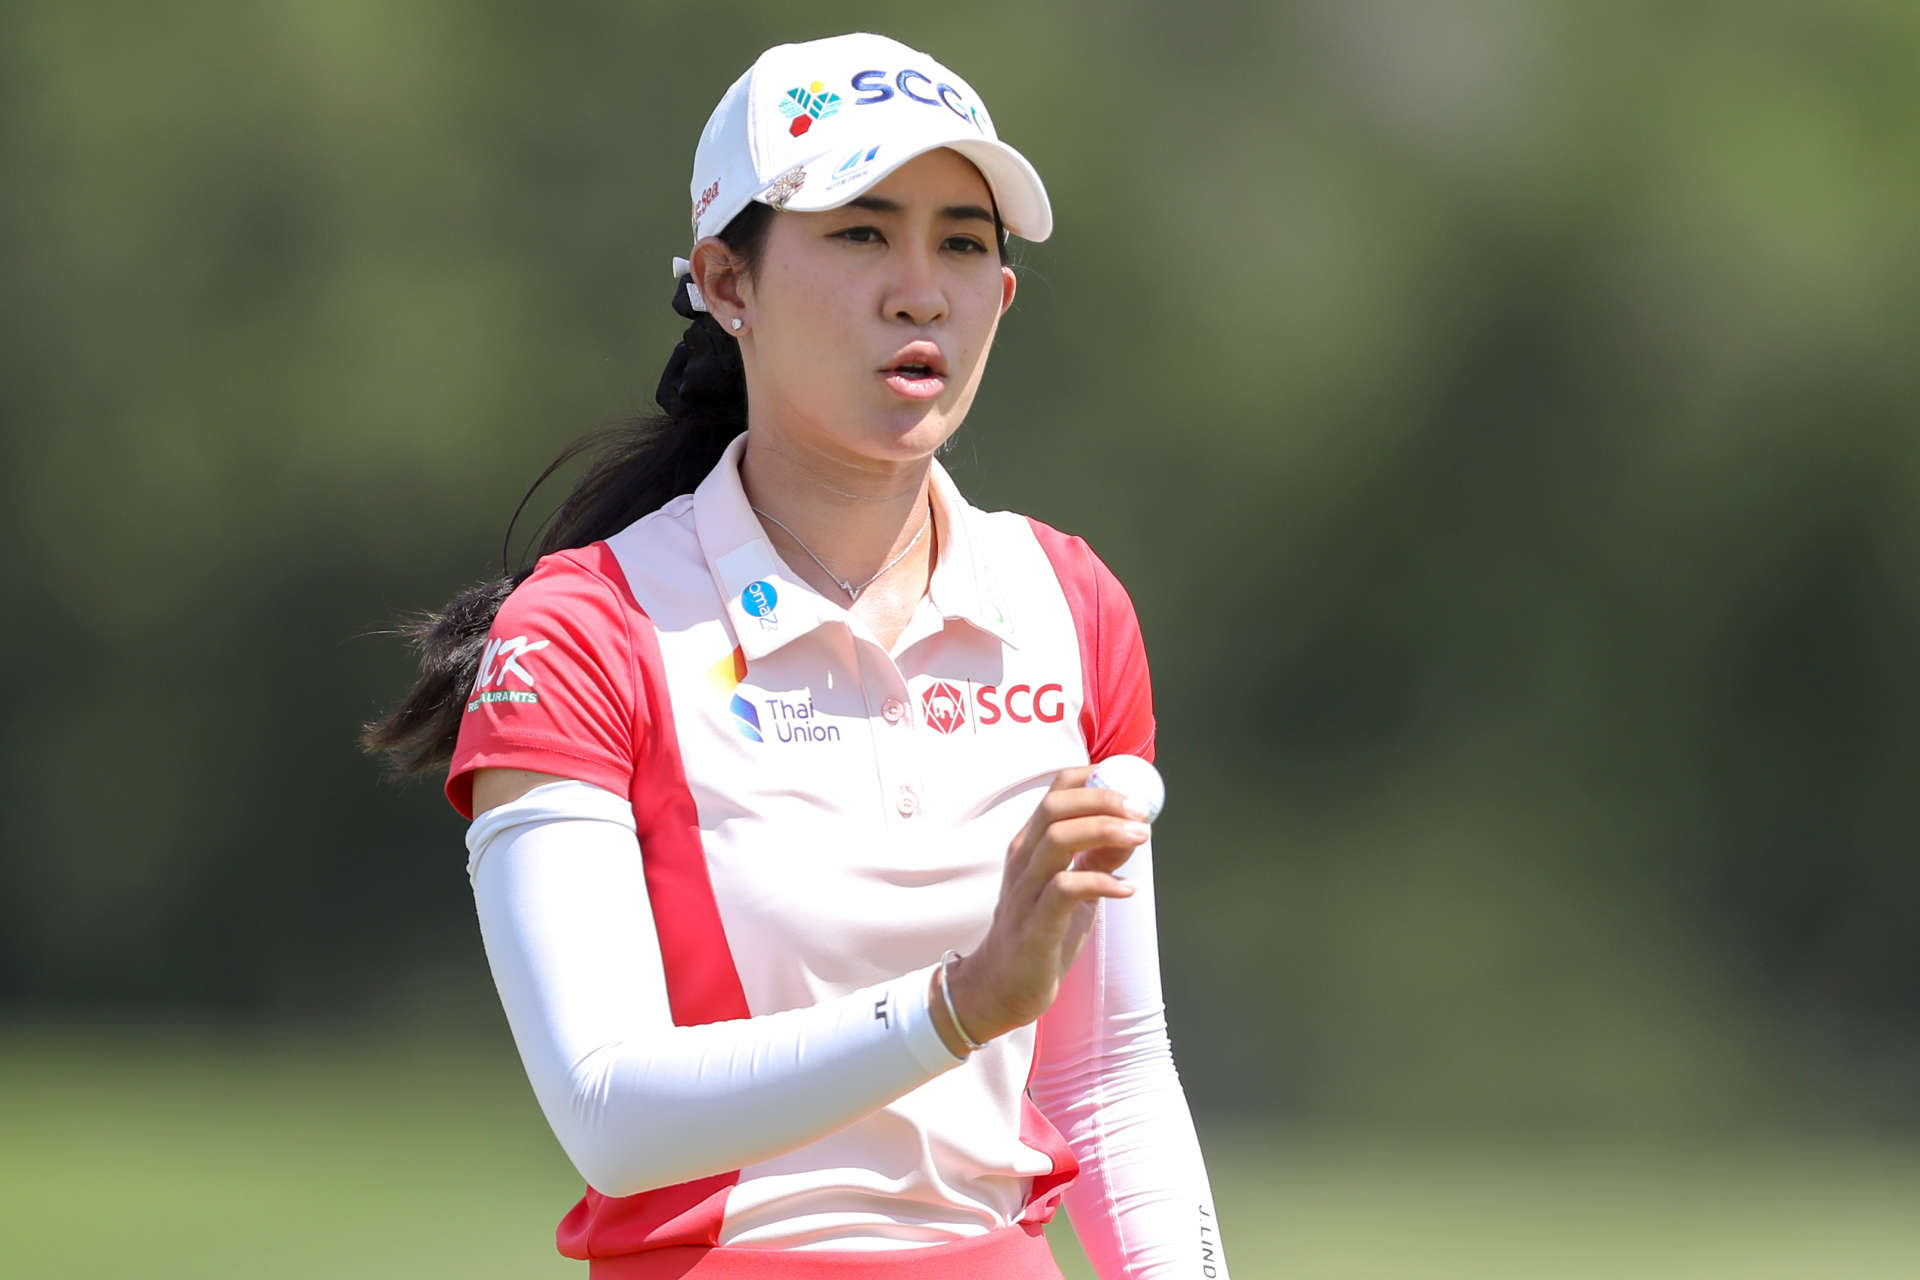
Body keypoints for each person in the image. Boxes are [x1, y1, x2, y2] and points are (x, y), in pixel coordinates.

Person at [366, 32, 1231, 1279]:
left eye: (965, 242)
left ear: (1004, 293)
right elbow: (610, 1110)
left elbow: (1113, 1071)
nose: (920, 287)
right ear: (727, 283)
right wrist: (956, 1005)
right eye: (862, 232)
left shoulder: (1069, 603)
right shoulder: (582, 632)